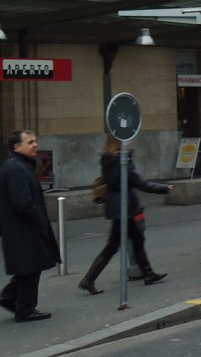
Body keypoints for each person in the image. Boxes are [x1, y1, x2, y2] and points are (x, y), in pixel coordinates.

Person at [78, 136, 170, 294]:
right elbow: (141, 183)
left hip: (117, 206)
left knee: (136, 240)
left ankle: (148, 274)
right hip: (124, 207)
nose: (130, 143)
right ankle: (88, 280)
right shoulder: (122, 162)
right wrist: (164, 188)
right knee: (114, 245)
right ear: (120, 145)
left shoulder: (108, 160)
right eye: (127, 141)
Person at [0, 129, 60, 322]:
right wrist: (38, 221)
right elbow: (22, 202)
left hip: (22, 228)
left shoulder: (20, 165)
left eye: (35, 141)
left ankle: (9, 297)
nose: (35, 145)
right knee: (30, 267)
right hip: (23, 228)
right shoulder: (16, 167)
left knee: (30, 267)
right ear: (17, 147)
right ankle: (25, 309)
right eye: (30, 142)